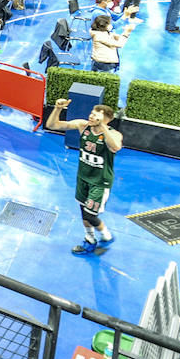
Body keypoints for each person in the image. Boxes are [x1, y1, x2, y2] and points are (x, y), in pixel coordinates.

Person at [46, 99, 123, 254]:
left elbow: (115, 146)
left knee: (90, 214)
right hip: (83, 178)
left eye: (96, 116)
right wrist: (57, 109)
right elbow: (53, 125)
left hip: (100, 182)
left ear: (106, 119)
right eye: (91, 114)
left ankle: (106, 235)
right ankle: (90, 239)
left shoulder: (113, 134)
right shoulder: (83, 125)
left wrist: (103, 127)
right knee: (83, 211)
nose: (91, 117)